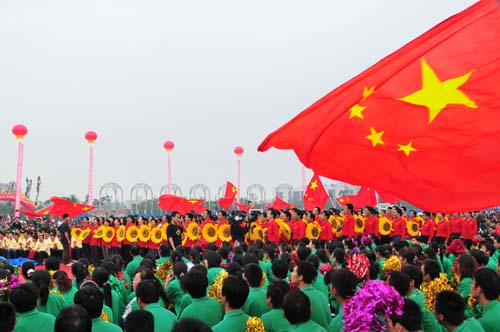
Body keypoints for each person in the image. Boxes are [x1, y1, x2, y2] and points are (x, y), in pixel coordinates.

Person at [291, 261, 331, 329]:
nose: (291, 274)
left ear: (300, 277)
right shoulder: (321, 295)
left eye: (294, 271)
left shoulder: (299, 298)